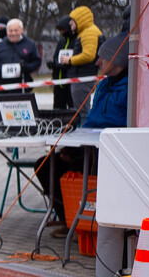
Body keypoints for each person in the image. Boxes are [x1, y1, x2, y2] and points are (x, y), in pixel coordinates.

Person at [40, 32, 129, 231]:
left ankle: (90, 220)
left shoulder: (132, 86)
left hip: (109, 150)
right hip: (88, 144)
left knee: (86, 167)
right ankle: (68, 217)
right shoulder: (103, 84)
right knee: (46, 164)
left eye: (102, 57)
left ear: (117, 59)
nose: (97, 62)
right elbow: (89, 119)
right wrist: (73, 146)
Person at [64, 6, 103, 118]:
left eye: (72, 20)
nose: (70, 23)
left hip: (83, 78)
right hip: (82, 77)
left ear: (80, 19)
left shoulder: (88, 32)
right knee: (81, 110)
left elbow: (88, 55)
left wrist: (70, 60)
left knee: (82, 112)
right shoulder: (86, 32)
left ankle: (83, 132)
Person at [49, 17, 78, 112]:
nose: (62, 32)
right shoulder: (61, 41)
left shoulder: (77, 40)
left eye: (64, 29)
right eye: (60, 30)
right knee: (57, 111)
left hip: (71, 83)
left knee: (73, 111)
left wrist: (68, 64)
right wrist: (54, 65)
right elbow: (56, 56)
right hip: (59, 83)